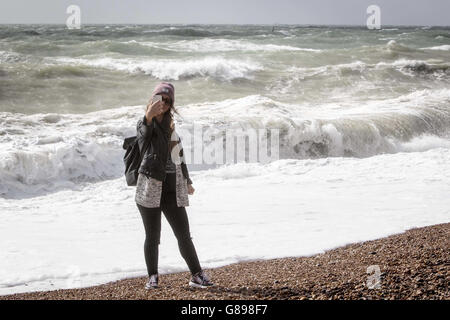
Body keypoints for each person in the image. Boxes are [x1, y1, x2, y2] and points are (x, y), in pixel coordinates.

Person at [135, 81, 213, 290]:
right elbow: (143, 141)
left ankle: (197, 275)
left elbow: (179, 156)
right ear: (153, 99)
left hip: (172, 189)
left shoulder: (171, 125)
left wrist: (187, 180)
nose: (164, 104)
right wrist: (148, 117)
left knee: (184, 235)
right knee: (153, 237)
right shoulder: (145, 124)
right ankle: (152, 277)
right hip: (149, 189)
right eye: (161, 99)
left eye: (168, 101)